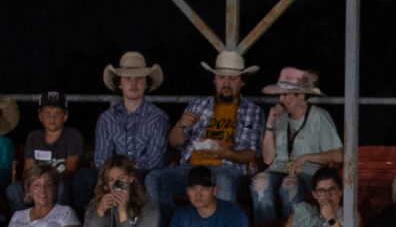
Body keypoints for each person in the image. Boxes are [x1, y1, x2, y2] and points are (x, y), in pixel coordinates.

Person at [155, 49, 265, 215]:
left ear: (242, 82)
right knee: (155, 179)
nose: (226, 83)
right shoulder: (197, 105)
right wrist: (179, 125)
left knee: (223, 181)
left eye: (233, 78)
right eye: (221, 77)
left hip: (226, 169)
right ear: (214, 80)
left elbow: (252, 154)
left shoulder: (253, 111)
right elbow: (175, 143)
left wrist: (226, 153)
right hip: (191, 168)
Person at [257, 66, 342, 225]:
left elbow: (338, 155)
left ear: (301, 95)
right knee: (259, 181)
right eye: (280, 94)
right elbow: (268, 160)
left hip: (307, 172)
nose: (282, 100)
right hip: (279, 169)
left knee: (290, 185)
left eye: (287, 95)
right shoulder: (280, 118)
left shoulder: (319, 116)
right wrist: (269, 125)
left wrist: (306, 157)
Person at [92, 55, 170, 200]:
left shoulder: (158, 117)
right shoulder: (106, 118)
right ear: (119, 84)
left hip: (143, 174)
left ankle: (152, 220)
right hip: (112, 176)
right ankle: (91, 220)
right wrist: (116, 175)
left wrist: (125, 176)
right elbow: (101, 158)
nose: (133, 84)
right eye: (128, 79)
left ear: (146, 84)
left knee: (152, 179)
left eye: (139, 79)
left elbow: (154, 159)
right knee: (84, 178)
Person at [13, 92, 89, 213]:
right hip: (37, 183)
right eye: (47, 113)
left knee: (63, 187)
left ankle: (59, 223)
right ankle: (23, 225)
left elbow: (70, 170)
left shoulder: (73, 135)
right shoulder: (34, 136)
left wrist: (48, 183)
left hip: (59, 183)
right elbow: (28, 169)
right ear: (40, 116)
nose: (52, 118)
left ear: (65, 116)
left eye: (57, 114)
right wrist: (37, 185)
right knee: (14, 189)